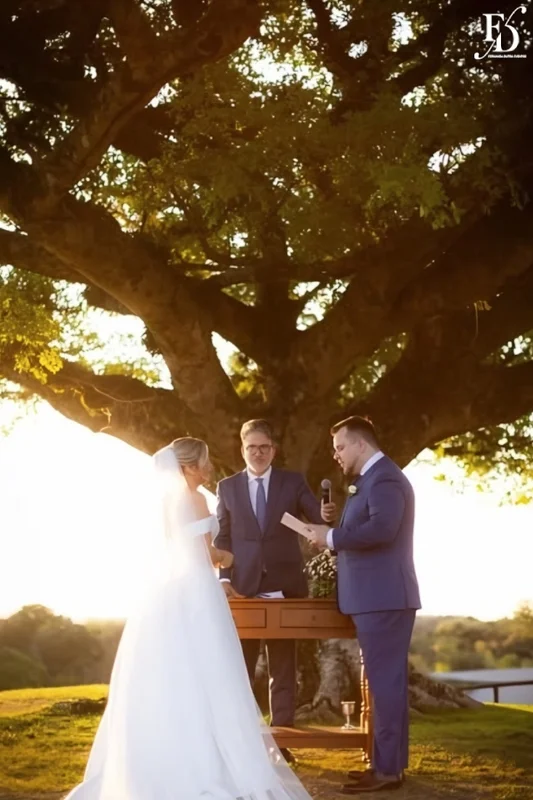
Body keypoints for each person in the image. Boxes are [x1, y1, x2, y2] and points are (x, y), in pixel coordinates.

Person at [63, 437, 312, 800]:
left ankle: (171, 758)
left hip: (170, 593)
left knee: (176, 674)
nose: (210, 467)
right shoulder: (195, 500)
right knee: (212, 673)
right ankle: (212, 763)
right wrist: (230, 560)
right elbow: (208, 554)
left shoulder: (165, 503)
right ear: (190, 466)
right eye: (205, 461)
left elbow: (171, 551)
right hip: (199, 593)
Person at [307, 415, 421, 795]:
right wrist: (331, 528)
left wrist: (333, 537)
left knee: (385, 686)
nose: (336, 455)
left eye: (340, 447)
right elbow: (366, 526)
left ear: (361, 444)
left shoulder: (385, 478)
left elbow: (383, 529)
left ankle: (388, 771)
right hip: (375, 598)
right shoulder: (367, 481)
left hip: (384, 598)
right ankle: (386, 764)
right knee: (381, 684)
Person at [214, 419, 322, 751]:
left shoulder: (293, 481)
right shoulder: (227, 487)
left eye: (264, 447)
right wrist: (223, 578)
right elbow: (223, 535)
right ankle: (243, 745)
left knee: (283, 668)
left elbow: (316, 515)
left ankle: (283, 744)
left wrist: (326, 514)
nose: (258, 453)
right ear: (242, 449)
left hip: (285, 586)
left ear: (273, 449)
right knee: (241, 669)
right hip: (242, 588)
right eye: (252, 447)